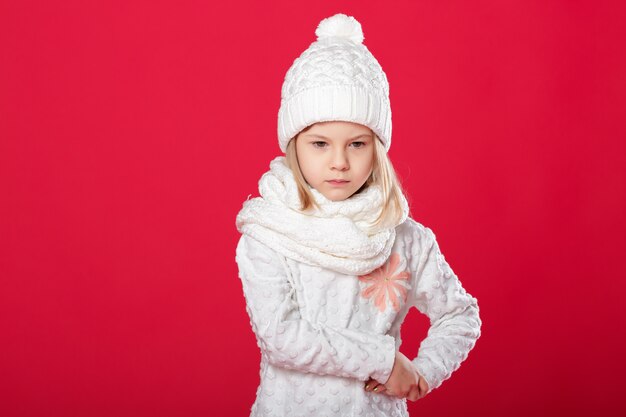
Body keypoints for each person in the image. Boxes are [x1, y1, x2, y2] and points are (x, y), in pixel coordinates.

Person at [235, 13, 482, 417]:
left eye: (356, 144)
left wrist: (423, 372)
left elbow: (460, 314)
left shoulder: (406, 240)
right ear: (294, 144)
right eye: (319, 143)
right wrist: (385, 359)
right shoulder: (268, 233)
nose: (338, 162)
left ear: (377, 147)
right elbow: (281, 337)